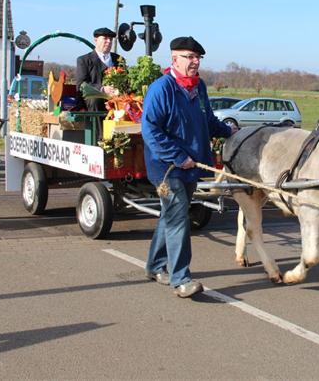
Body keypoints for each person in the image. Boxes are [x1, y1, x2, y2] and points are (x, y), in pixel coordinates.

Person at [141, 36, 236, 298]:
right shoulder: (161, 89)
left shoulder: (199, 86)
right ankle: (181, 279)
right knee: (179, 218)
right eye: (189, 57)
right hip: (167, 168)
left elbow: (207, 121)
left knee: (171, 216)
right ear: (174, 59)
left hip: (192, 166)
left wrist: (229, 131)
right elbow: (150, 130)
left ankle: (154, 266)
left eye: (198, 58)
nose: (195, 62)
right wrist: (176, 156)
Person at [75, 27, 125, 112]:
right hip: (93, 101)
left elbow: (125, 81)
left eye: (110, 39)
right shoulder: (84, 60)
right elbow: (81, 85)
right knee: (95, 100)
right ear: (96, 40)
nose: (109, 41)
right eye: (105, 38)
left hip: (116, 98)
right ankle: (96, 122)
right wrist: (102, 89)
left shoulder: (119, 59)